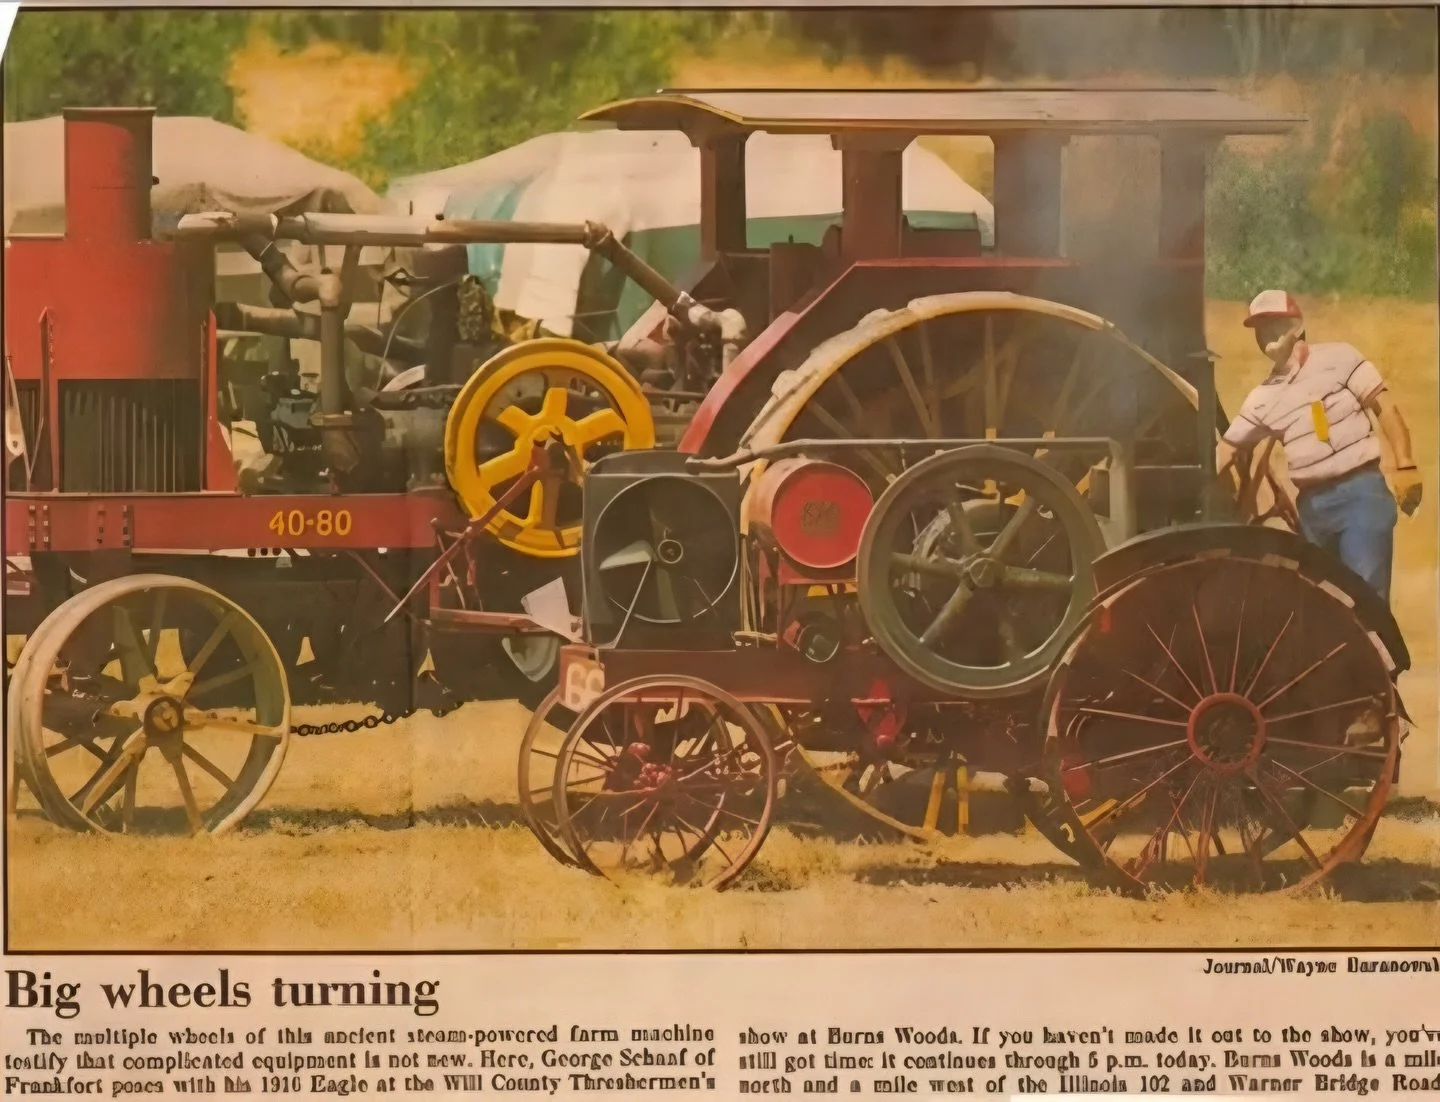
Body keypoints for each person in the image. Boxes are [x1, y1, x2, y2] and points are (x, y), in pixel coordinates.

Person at [1215, 289, 1422, 604]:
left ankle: (1377, 654)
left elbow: (1385, 408)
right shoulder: (1262, 398)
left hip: (1360, 495)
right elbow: (1227, 450)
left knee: (1365, 601)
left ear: (1297, 324)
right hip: (1313, 510)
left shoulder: (1340, 357)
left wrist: (1405, 464)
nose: (1266, 332)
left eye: (1275, 322)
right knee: (1324, 606)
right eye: (1259, 327)